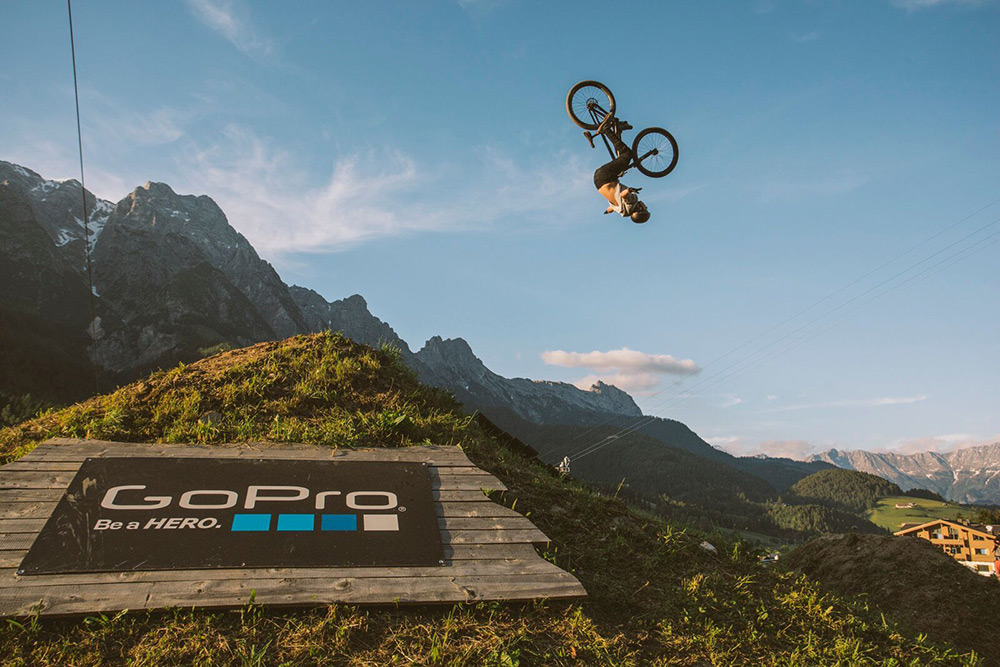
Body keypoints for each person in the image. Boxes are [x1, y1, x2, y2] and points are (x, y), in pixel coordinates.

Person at [593, 122, 650, 224]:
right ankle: (618, 129)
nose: (646, 206)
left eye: (646, 209)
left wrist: (629, 190)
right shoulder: (622, 211)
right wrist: (607, 211)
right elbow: (611, 208)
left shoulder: (632, 202)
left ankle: (606, 129)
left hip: (606, 176)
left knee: (627, 154)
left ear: (640, 210)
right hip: (598, 182)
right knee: (621, 165)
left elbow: (623, 195)